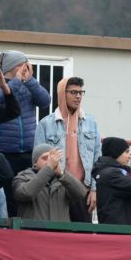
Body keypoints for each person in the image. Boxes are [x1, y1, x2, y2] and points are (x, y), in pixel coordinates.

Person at [35, 77, 102, 222]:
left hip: (82, 190)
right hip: (56, 190)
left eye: (81, 92)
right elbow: (38, 161)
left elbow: (98, 160)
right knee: (58, 233)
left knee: (83, 233)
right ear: (62, 94)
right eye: (73, 92)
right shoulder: (45, 124)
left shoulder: (91, 122)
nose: (78, 96)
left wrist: (94, 190)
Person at [0, 51, 51, 216]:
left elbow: (45, 101)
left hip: (28, 150)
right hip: (5, 151)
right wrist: (16, 82)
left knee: (28, 191)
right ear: (11, 67)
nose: (25, 67)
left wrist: (30, 80)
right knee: (8, 195)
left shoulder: (29, 84)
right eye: (21, 64)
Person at [12, 144, 87, 221]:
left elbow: (81, 194)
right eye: (45, 158)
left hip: (59, 229)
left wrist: (62, 174)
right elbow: (26, 194)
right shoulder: (23, 177)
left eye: (52, 158)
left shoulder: (63, 180)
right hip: (33, 228)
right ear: (35, 163)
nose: (49, 161)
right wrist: (49, 168)